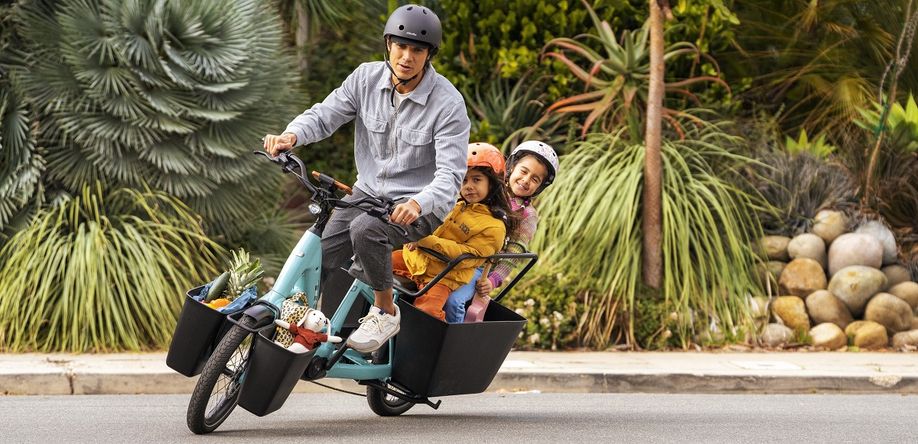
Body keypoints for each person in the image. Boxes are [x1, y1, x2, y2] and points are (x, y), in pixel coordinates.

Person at [263, 4, 471, 353]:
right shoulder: (365, 78)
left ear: (429, 55)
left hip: (421, 207)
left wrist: (418, 202)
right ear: (388, 44)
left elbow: (451, 175)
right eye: (401, 46)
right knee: (319, 255)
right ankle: (307, 332)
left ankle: (385, 311)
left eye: (417, 50)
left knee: (366, 230)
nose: (407, 57)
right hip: (367, 193)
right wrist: (291, 136)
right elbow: (325, 114)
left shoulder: (448, 104)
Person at [392, 143, 514, 320]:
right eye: (464, 180)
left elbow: (468, 256)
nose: (469, 186)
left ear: (493, 183)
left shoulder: (493, 226)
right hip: (415, 260)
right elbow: (428, 222)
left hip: (443, 276)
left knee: (427, 314)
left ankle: (434, 344)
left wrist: (424, 240)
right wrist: (413, 232)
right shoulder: (453, 204)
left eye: (476, 179)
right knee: (373, 263)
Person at [443, 140, 560, 323]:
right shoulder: (488, 189)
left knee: (453, 301)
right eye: (524, 171)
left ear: (540, 187)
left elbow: (514, 253)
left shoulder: (527, 215)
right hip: (454, 251)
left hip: (480, 266)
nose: (526, 180)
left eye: (535, 179)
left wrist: (492, 280)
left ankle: (454, 346)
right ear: (512, 167)